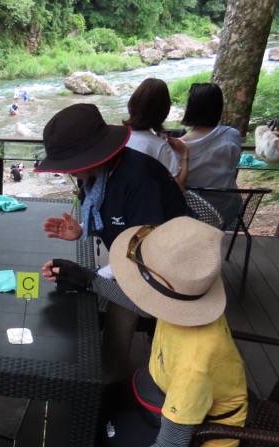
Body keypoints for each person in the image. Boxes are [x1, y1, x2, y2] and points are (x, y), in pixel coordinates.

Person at [59, 217, 247, 447]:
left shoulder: (195, 363)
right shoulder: (187, 300)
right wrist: (90, 280)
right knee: (92, 408)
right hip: (159, 393)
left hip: (203, 434)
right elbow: (149, 305)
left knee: (99, 443)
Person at [35, 104, 187, 382]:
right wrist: (81, 232)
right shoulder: (95, 175)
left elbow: (144, 253)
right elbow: (112, 223)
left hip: (168, 267)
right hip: (129, 253)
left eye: (72, 162)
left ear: (94, 154)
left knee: (120, 316)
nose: (68, 170)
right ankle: (102, 372)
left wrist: (93, 277)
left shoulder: (140, 180)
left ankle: (109, 387)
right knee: (88, 292)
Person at [123, 78, 189, 190]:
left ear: (133, 103)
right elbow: (179, 187)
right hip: (145, 204)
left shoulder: (116, 137)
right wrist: (184, 153)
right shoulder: (160, 147)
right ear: (164, 111)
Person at [180, 83, 241, 190]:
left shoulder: (180, 145)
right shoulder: (232, 135)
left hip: (191, 205)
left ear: (191, 108)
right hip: (230, 203)